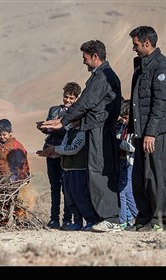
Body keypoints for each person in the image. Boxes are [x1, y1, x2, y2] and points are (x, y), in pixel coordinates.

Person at [41, 40, 122, 232]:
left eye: (85, 58)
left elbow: (85, 102)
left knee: (100, 172)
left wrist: (64, 121)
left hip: (100, 130)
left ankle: (111, 218)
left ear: (95, 56)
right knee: (96, 172)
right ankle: (102, 218)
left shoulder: (103, 77)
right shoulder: (99, 76)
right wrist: (66, 120)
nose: (84, 62)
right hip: (95, 128)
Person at [127, 26, 166, 232]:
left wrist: (151, 132)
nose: (134, 49)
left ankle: (161, 220)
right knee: (141, 176)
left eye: (136, 45)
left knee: (158, 175)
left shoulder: (161, 68)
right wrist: (136, 131)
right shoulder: (143, 66)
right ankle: (145, 218)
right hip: (142, 131)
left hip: (156, 132)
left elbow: (160, 103)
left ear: (147, 43)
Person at [36, 82, 81, 230]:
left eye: (71, 98)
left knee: (67, 189)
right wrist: (44, 128)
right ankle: (54, 219)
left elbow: (69, 130)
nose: (67, 100)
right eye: (66, 97)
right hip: (51, 152)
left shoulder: (77, 113)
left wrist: (57, 126)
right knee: (54, 188)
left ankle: (67, 219)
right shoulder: (54, 110)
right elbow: (50, 130)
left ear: (76, 99)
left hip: (64, 153)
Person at [37, 120, 96, 231]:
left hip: (79, 169)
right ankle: (77, 222)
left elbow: (73, 149)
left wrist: (55, 149)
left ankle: (90, 221)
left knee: (81, 197)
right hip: (67, 169)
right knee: (70, 198)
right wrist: (51, 153)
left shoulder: (82, 132)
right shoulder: (69, 132)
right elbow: (63, 146)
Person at [116, 100, 138, 230]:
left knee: (125, 192)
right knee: (124, 192)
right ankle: (127, 219)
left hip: (130, 163)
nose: (124, 120)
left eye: (126, 118)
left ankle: (134, 217)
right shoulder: (124, 127)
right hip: (122, 161)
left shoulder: (135, 129)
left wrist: (117, 142)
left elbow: (132, 148)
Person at [0, 119, 30, 183]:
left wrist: (24, 176)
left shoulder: (16, 145)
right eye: (0, 135)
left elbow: (24, 162)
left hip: (15, 179)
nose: (2, 137)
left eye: (4, 134)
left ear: (10, 132)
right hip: (3, 177)